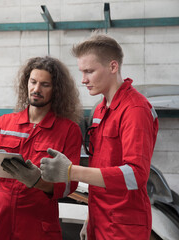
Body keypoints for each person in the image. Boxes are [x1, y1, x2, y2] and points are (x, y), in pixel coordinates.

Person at [40, 34, 159, 240]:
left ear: (113, 67)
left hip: (124, 224)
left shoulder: (135, 110)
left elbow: (136, 174)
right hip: (99, 216)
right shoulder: (100, 110)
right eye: (82, 72)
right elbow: (102, 165)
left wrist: (71, 171)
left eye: (89, 71)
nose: (83, 79)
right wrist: (90, 217)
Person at [0, 56, 83, 240]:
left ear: (57, 90)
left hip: (38, 227)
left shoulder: (69, 131)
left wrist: (38, 181)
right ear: (26, 83)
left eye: (45, 84)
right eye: (33, 82)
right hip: (1, 224)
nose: (36, 89)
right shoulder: (3, 124)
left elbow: (70, 184)